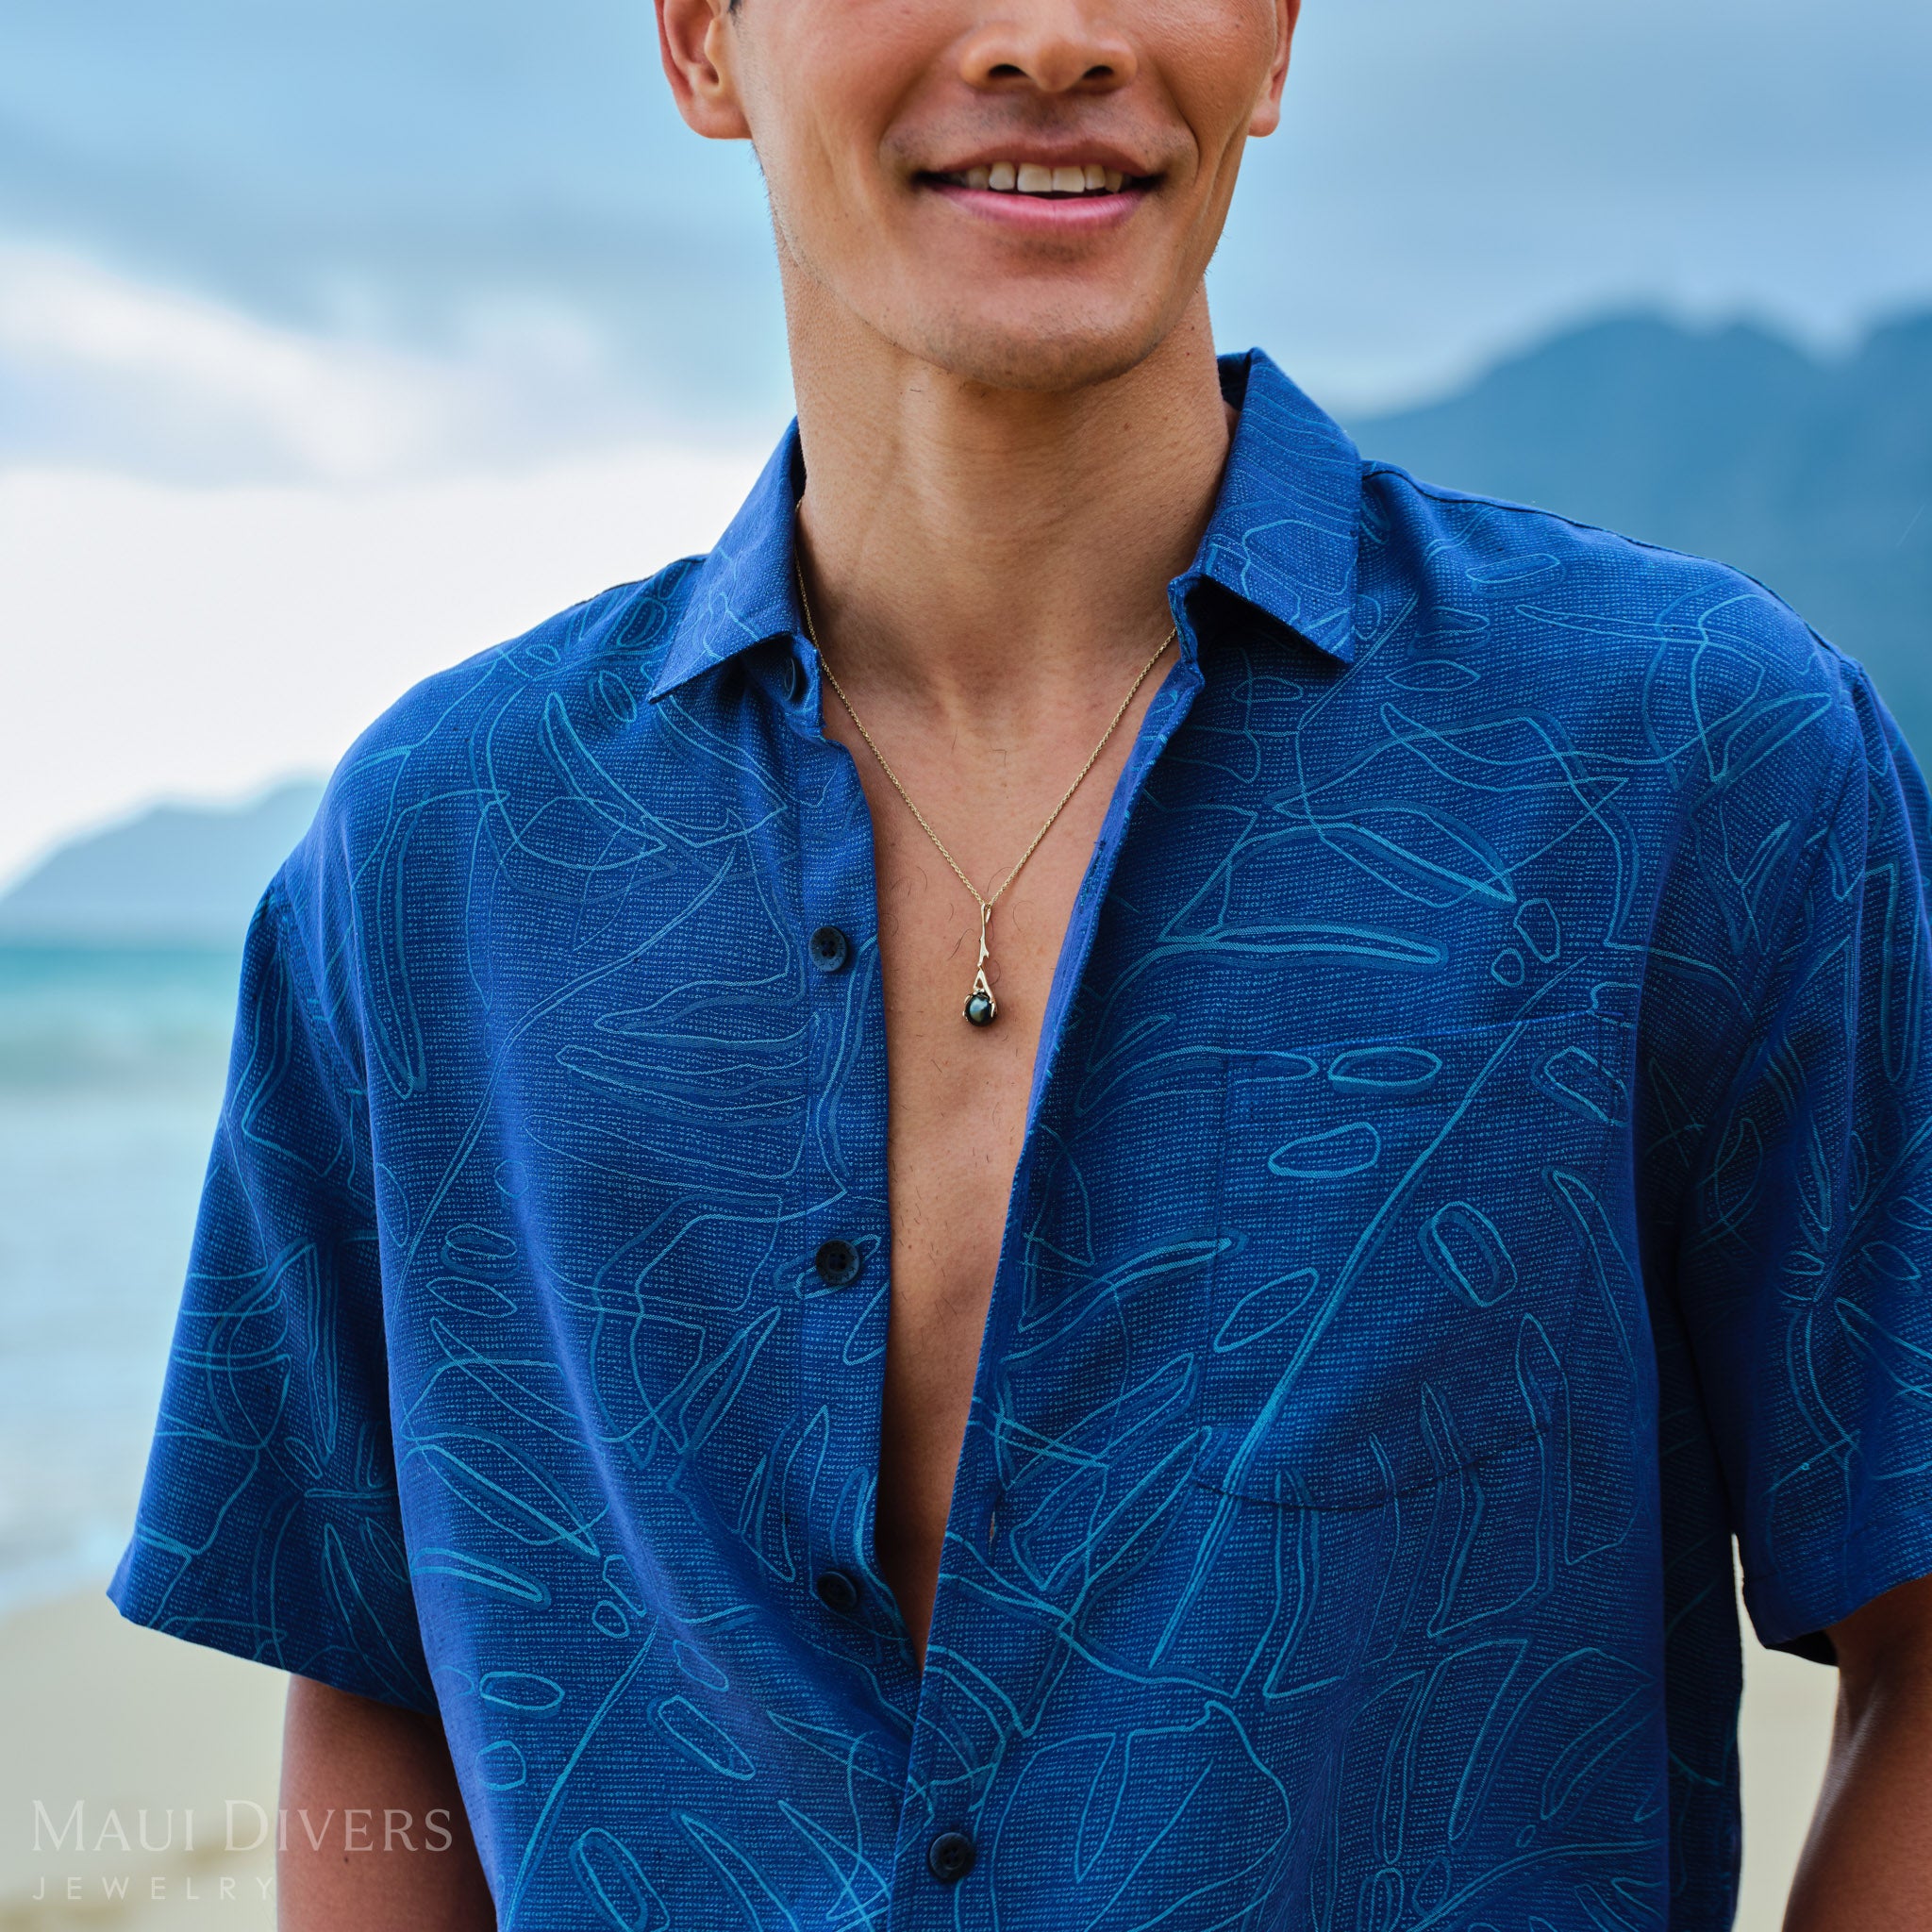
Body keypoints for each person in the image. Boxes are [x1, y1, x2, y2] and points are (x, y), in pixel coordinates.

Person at [107, 0, 1932, 1925]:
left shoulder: (1681, 761)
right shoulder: (434, 860)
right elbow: (384, 1700)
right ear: (701, 42)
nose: (1054, 40)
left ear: (1281, 37)